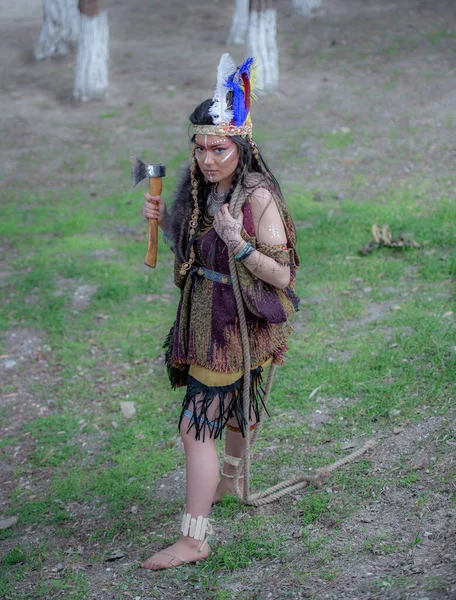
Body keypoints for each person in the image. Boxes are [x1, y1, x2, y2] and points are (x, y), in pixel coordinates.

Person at [140, 55, 299, 571]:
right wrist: (166, 221)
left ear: (242, 146)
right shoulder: (204, 188)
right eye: (201, 148)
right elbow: (194, 255)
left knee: (196, 427)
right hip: (208, 314)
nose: (208, 159)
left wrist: (241, 244)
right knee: (232, 409)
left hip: (239, 322)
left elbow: (283, 276)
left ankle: (194, 539)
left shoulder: (258, 196)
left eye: (220, 148)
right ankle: (229, 479)